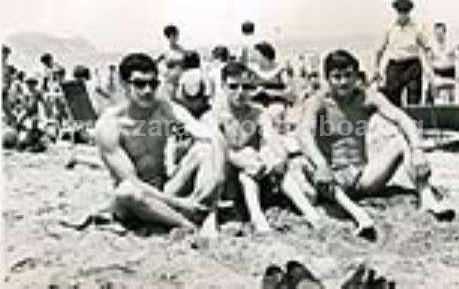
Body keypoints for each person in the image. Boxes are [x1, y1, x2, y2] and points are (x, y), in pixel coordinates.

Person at [298, 49, 454, 238]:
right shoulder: (319, 102)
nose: (343, 82)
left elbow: (402, 119)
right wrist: (322, 165)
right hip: (331, 179)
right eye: (336, 77)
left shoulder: (365, 98)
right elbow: (304, 133)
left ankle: (426, 197)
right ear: (327, 79)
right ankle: (358, 214)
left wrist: (417, 150)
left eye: (348, 75)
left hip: (363, 178)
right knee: (305, 163)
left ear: (357, 75)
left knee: (400, 142)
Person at [95, 53, 225, 235]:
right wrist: (181, 203)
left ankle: (207, 212)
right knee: (126, 191)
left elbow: (198, 132)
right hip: (138, 201)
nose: (148, 90)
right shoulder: (110, 125)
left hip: (167, 186)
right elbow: (132, 181)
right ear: (124, 84)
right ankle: (187, 224)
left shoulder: (163, 108)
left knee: (205, 147)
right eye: (140, 84)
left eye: (153, 84)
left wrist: (214, 171)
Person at [206, 62, 321, 232]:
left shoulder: (257, 112)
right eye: (233, 86)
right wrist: (245, 160)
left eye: (245, 87)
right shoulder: (214, 116)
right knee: (245, 158)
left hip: (255, 177)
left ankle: (311, 214)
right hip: (227, 183)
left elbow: (272, 138)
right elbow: (219, 150)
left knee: (267, 156)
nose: (240, 92)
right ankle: (257, 217)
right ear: (223, 86)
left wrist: (276, 159)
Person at [374, 0, 435, 107]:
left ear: (409, 12)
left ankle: (414, 121)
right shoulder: (389, 28)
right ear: (397, 13)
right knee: (392, 99)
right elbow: (379, 51)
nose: (403, 15)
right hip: (395, 66)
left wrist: (429, 69)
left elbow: (428, 48)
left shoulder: (417, 28)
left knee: (414, 99)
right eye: (400, 12)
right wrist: (377, 69)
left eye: (405, 12)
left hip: (412, 65)